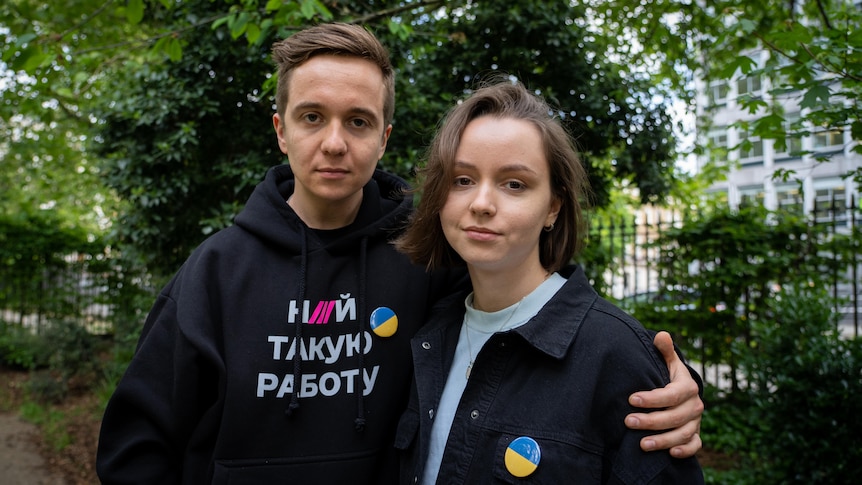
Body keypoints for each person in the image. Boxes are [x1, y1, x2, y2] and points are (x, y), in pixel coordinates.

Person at [96, 23, 702, 484]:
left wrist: (664, 384)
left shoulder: (424, 257)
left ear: (383, 137)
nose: (334, 143)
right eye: (312, 117)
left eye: (358, 121)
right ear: (281, 130)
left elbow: (533, 311)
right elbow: (135, 444)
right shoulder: (214, 272)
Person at [394, 79, 704, 483]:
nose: (482, 204)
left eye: (514, 184)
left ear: (553, 208)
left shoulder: (615, 354)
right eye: (463, 180)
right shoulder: (430, 330)